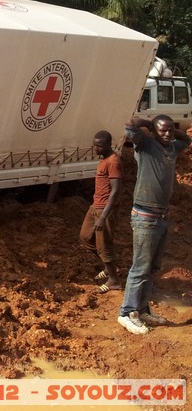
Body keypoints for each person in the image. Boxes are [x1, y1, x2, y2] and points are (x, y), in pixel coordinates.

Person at [117, 115, 191, 335]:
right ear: (153, 132)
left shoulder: (172, 148)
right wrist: (152, 125)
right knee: (140, 268)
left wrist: (166, 126)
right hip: (145, 216)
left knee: (153, 268)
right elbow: (130, 123)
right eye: (163, 131)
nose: (168, 134)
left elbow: (185, 140)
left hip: (161, 217)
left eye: (170, 130)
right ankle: (126, 312)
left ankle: (142, 308)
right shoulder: (146, 145)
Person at [79, 130, 122, 293]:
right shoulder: (103, 160)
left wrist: (103, 217)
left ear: (109, 145)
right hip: (95, 206)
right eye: (95, 145)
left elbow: (116, 190)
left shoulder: (113, 162)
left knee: (104, 245)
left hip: (105, 210)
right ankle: (110, 267)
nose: (96, 149)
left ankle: (114, 280)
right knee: (85, 237)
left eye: (100, 146)